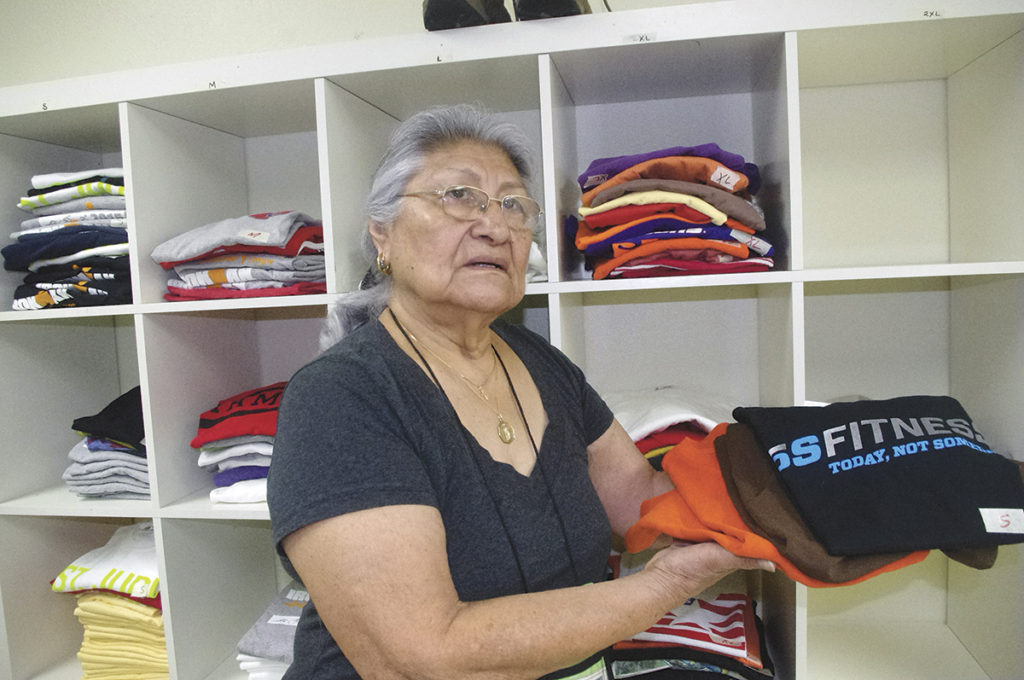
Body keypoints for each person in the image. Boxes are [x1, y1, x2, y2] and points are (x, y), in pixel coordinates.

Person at [266, 104, 773, 680]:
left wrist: (787, 492)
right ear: (381, 234)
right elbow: (418, 657)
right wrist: (667, 582)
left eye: (513, 204)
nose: (495, 225)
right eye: (458, 196)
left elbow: (640, 498)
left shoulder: (542, 364)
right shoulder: (342, 399)